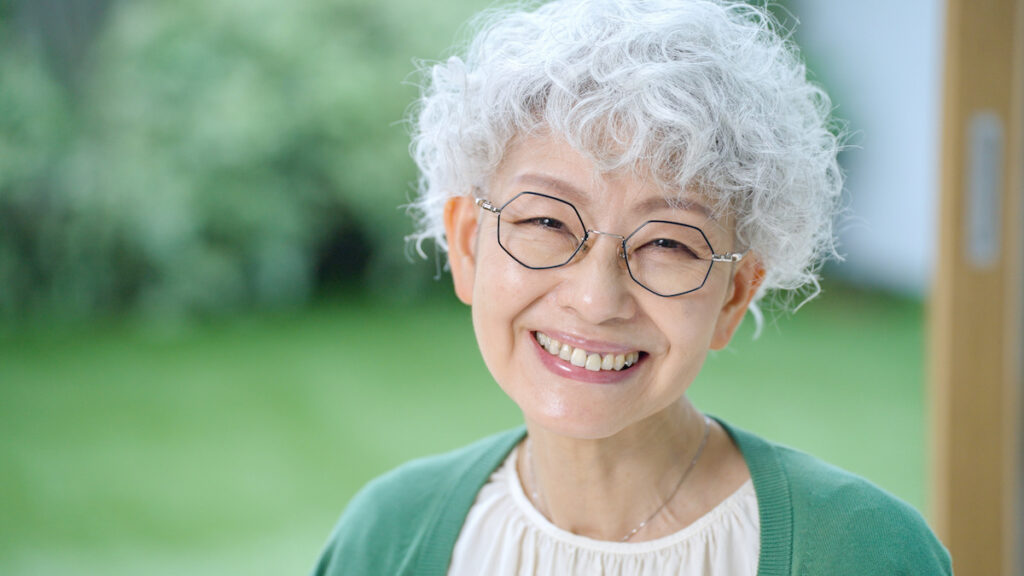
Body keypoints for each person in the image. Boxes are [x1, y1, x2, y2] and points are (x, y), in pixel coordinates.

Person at [313, 0, 953, 574]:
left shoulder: (862, 551)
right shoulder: (387, 536)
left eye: (669, 242)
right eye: (546, 221)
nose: (596, 300)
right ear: (468, 244)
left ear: (736, 295)